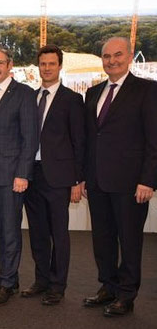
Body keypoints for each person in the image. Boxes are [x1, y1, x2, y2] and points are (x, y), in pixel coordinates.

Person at [81, 37, 157, 317]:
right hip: (98, 181)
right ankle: (108, 286)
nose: (111, 60)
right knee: (102, 238)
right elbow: (91, 139)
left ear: (128, 57)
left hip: (131, 183)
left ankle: (127, 294)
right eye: (106, 56)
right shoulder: (93, 93)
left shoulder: (147, 91)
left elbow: (154, 140)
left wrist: (148, 179)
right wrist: (84, 177)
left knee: (129, 239)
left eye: (117, 55)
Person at [22, 44, 85, 305]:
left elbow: (79, 142)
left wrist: (78, 180)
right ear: (38, 67)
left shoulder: (72, 100)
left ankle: (58, 286)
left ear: (60, 66)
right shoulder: (30, 98)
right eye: (43, 64)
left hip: (58, 177)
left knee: (58, 233)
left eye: (51, 64)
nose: (46, 68)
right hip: (31, 175)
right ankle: (42, 280)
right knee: (37, 231)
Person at [0, 47, 38, 306]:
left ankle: (7, 282)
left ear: (10, 64)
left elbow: (30, 137)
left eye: (0, 62)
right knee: (2, 229)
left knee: (11, 230)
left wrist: (23, 174)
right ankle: (8, 279)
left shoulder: (23, 94)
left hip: (12, 175)